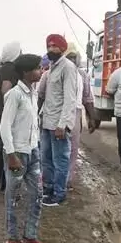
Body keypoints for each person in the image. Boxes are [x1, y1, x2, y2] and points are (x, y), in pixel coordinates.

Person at [0, 53, 50, 243]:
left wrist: (36, 145)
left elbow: (32, 124)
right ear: (26, 72)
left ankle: (30, 236)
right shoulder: (15, 95)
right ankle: (12, 238)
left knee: (37, 194)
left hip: (33, 151)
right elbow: (4, 126)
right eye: (38, 68)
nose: (41, 71)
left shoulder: (33, 93)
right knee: (13, 198)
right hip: (17, 153)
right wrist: (11, 155)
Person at [39, 34, 78, 207]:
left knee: (60, 159)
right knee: (45, 158)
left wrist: (63, 124)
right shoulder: (51, 69)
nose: (51, 49)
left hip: (58, 124)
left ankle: (59, 194)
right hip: (47, 121)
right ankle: (48, 189)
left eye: (55, 46)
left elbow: (70, 99)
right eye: (49, 46)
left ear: (63, 49)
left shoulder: (68, 67)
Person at [65, 45, 96, 191]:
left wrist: (92, 117)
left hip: (75, 114)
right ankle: (54, 179)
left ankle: (68, 179)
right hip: (56, 114)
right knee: (58, 149)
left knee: (73, 148)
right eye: (68, 57)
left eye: (74, 57)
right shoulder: (52, 72)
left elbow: (87, 97)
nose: (71, 60)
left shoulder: (82, 75)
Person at [0, 42, 22, 193]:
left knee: (2, 149)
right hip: (8, 115)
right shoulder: (10, 69)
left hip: (2, 113)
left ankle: (1, 184)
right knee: (9, 148)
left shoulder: (2, 68)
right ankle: (6, 185)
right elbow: (6, 89)